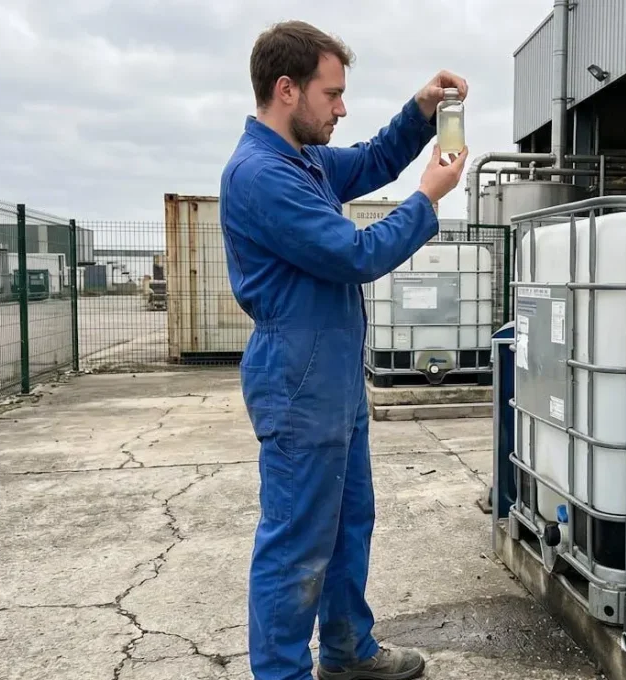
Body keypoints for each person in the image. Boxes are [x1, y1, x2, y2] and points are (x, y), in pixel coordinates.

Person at [218, 20, 469, 680]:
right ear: (286, 90)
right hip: (299, 383)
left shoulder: (305, 162)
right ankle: (281, 673)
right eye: (331, 94)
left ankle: (347, 648)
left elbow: (371, 159)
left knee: (349, 521)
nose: (341, 107)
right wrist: (426, 200)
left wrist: (419, 115)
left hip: (330, 379)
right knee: (298, 542)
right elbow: (355, 254)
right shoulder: (262, 176)